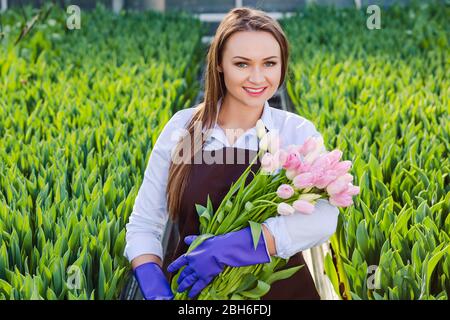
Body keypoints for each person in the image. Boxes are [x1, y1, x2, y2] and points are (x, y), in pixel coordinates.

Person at [124, 7, 339, 300]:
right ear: (220, 64)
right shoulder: (182, 128)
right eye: (242, 64)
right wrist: (151, 279)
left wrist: (239, 247)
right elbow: (145, 224)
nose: (257, 77)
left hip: (282, 292)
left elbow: (325, 217)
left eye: (269, 63)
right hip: (194, 290)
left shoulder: (296, 132)